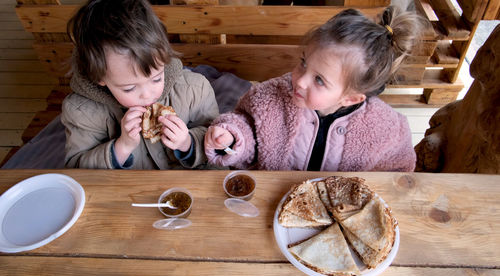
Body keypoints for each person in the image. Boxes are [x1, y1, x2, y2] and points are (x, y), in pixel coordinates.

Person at [204, 7, 423, 171]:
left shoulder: (387, 129)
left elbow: (398, 172)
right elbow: (245, 127)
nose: (299, 80)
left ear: (351, 99)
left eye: (319, 80)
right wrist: (232, 138)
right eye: (303, 62)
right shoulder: (268, 98)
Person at [61, 0, 219, 169]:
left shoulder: (194, 90)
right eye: (129, 88)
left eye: (157, 78)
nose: (147, 94)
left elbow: (221, 144)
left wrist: (187, 143)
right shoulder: (80, 112)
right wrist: (121, 147)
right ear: (100, 78)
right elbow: (77, 169)